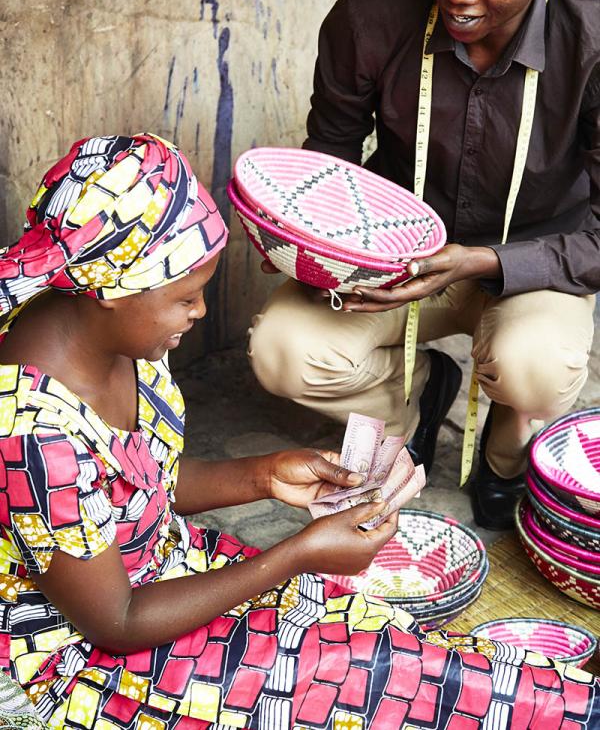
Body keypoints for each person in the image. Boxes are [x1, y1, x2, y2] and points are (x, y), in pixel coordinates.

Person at [1, 133, 598, 728]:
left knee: (369, 634)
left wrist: (267, 474)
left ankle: (569, 704)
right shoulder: (32, 434)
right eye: (188, 299)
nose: (201, 313)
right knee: (362, 674)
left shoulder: (120, 332)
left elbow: (144, 484)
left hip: (162, 570)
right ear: (113, 290)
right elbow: (117, 622)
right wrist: (298, 555)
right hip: (94, 660)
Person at [247, 0, 600, 532]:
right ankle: (414, 399)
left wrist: (482, 263)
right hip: (396, 257)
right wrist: (307, 244)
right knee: (281, 349)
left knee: (535, 365)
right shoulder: (370, 16)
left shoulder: (592, 46)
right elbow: (331, 166)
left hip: (534, 264)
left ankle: (504, 451)